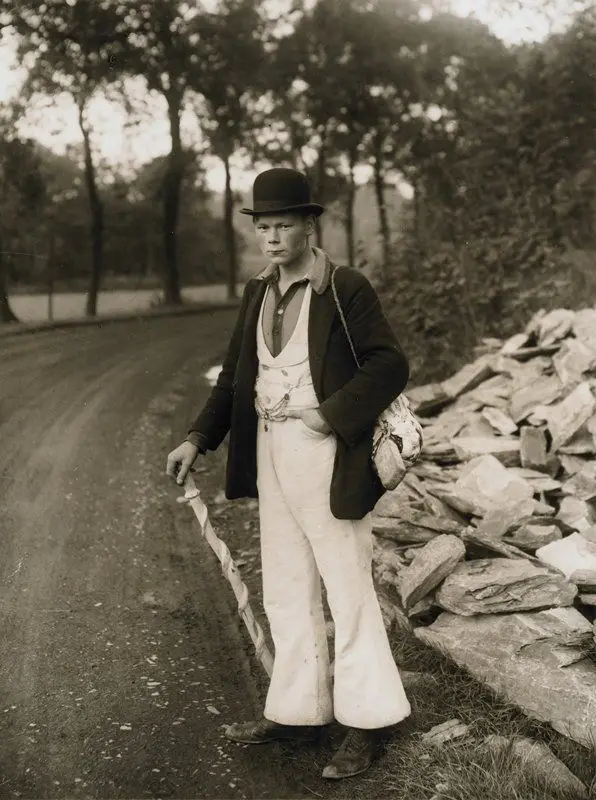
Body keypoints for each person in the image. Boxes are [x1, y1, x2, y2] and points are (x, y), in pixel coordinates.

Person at [166, 167, 412, 780]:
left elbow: (389, 365)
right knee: (284, 582)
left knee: (347, 588)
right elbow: (234, 377)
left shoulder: (345, 288)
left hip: (330, 458)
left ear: (309, 226)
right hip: (273, 454)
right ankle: (299, 712)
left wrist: (331, 416)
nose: (272, 237)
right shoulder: (258, 291)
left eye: (284, 225)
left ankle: (368, 722)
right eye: (264, 226)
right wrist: (198, 438)